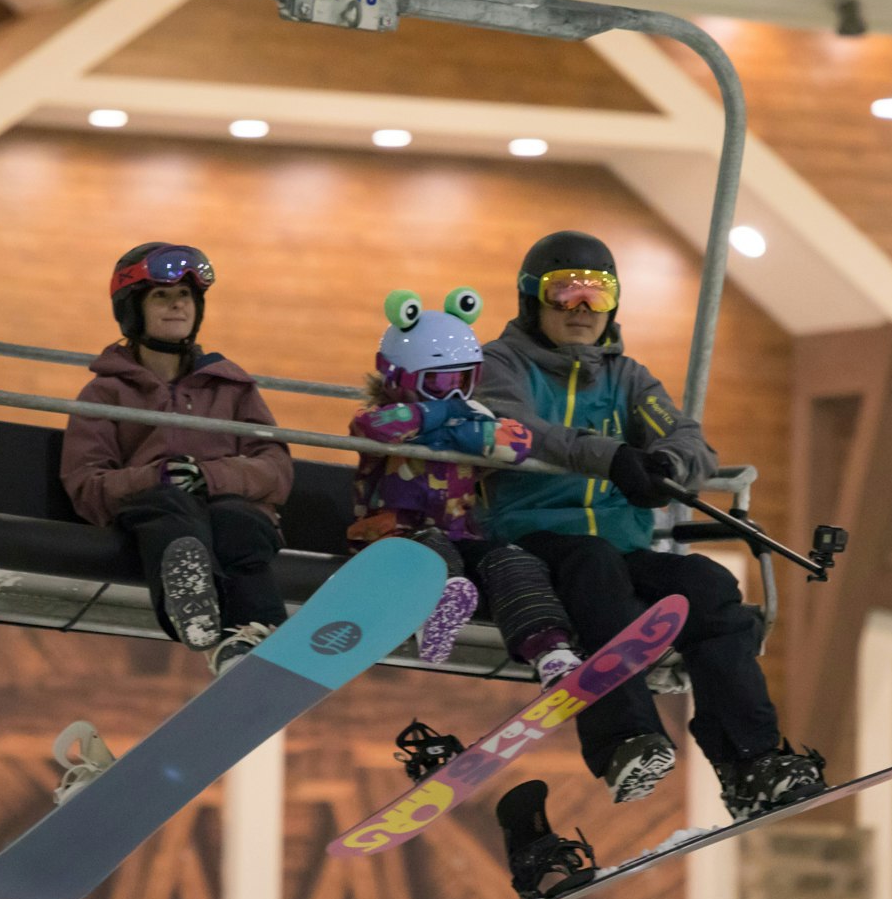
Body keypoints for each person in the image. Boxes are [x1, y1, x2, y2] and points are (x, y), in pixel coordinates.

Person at [477, 230, 827, 899]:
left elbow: (688, 437)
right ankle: (626, 739)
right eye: (564, 290)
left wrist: (665, 463)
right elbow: (510, 428)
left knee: (708, 585)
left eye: (597, 291)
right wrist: (606, 456)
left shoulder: (627, 378)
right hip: (533, 539)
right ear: (532, 298)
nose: (581, 306)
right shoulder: (504, 364)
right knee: (595, 568)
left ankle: (751, 760)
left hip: (622, 541)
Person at [60, 242, 292, 678]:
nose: (176, 306)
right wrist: (157, 476)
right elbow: (86, 484)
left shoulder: (232, 387)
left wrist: (210, 476)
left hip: (233, 513)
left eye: (184, 296)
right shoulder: (106, 394)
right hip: (156, 515)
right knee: (170, 506)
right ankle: (189, 598)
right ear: (133, 310)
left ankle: (256, 637)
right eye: (161, 296)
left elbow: (275, 469)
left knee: (236, 521)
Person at [348, 287, 584, 684]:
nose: (455, 393)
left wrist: (461, 425)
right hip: (390, 537)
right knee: (431, 549)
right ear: (398, 379)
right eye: (439, 384)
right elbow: (377, 427)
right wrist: (440, 416)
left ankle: (550, 650)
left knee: (512, 559)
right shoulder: (380, 417)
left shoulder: (470, 415)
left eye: (464, 380)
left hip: (460, 533)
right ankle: (440, 604)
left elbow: (518, 443)